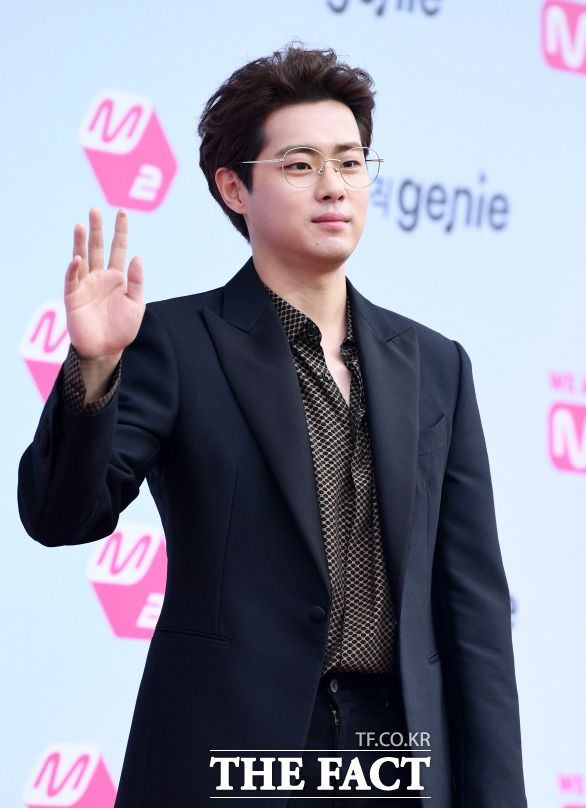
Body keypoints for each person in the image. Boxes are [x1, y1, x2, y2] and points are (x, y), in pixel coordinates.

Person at [17, 45, 527, 807]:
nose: (334, 186)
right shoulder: (174, 343)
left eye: (350, 163)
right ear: (234, 187)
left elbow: (474, 613)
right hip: (226, 754)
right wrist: (94, 368)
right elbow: (62, 516)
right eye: (299, 165)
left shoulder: (436, 364)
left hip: (396, 757)